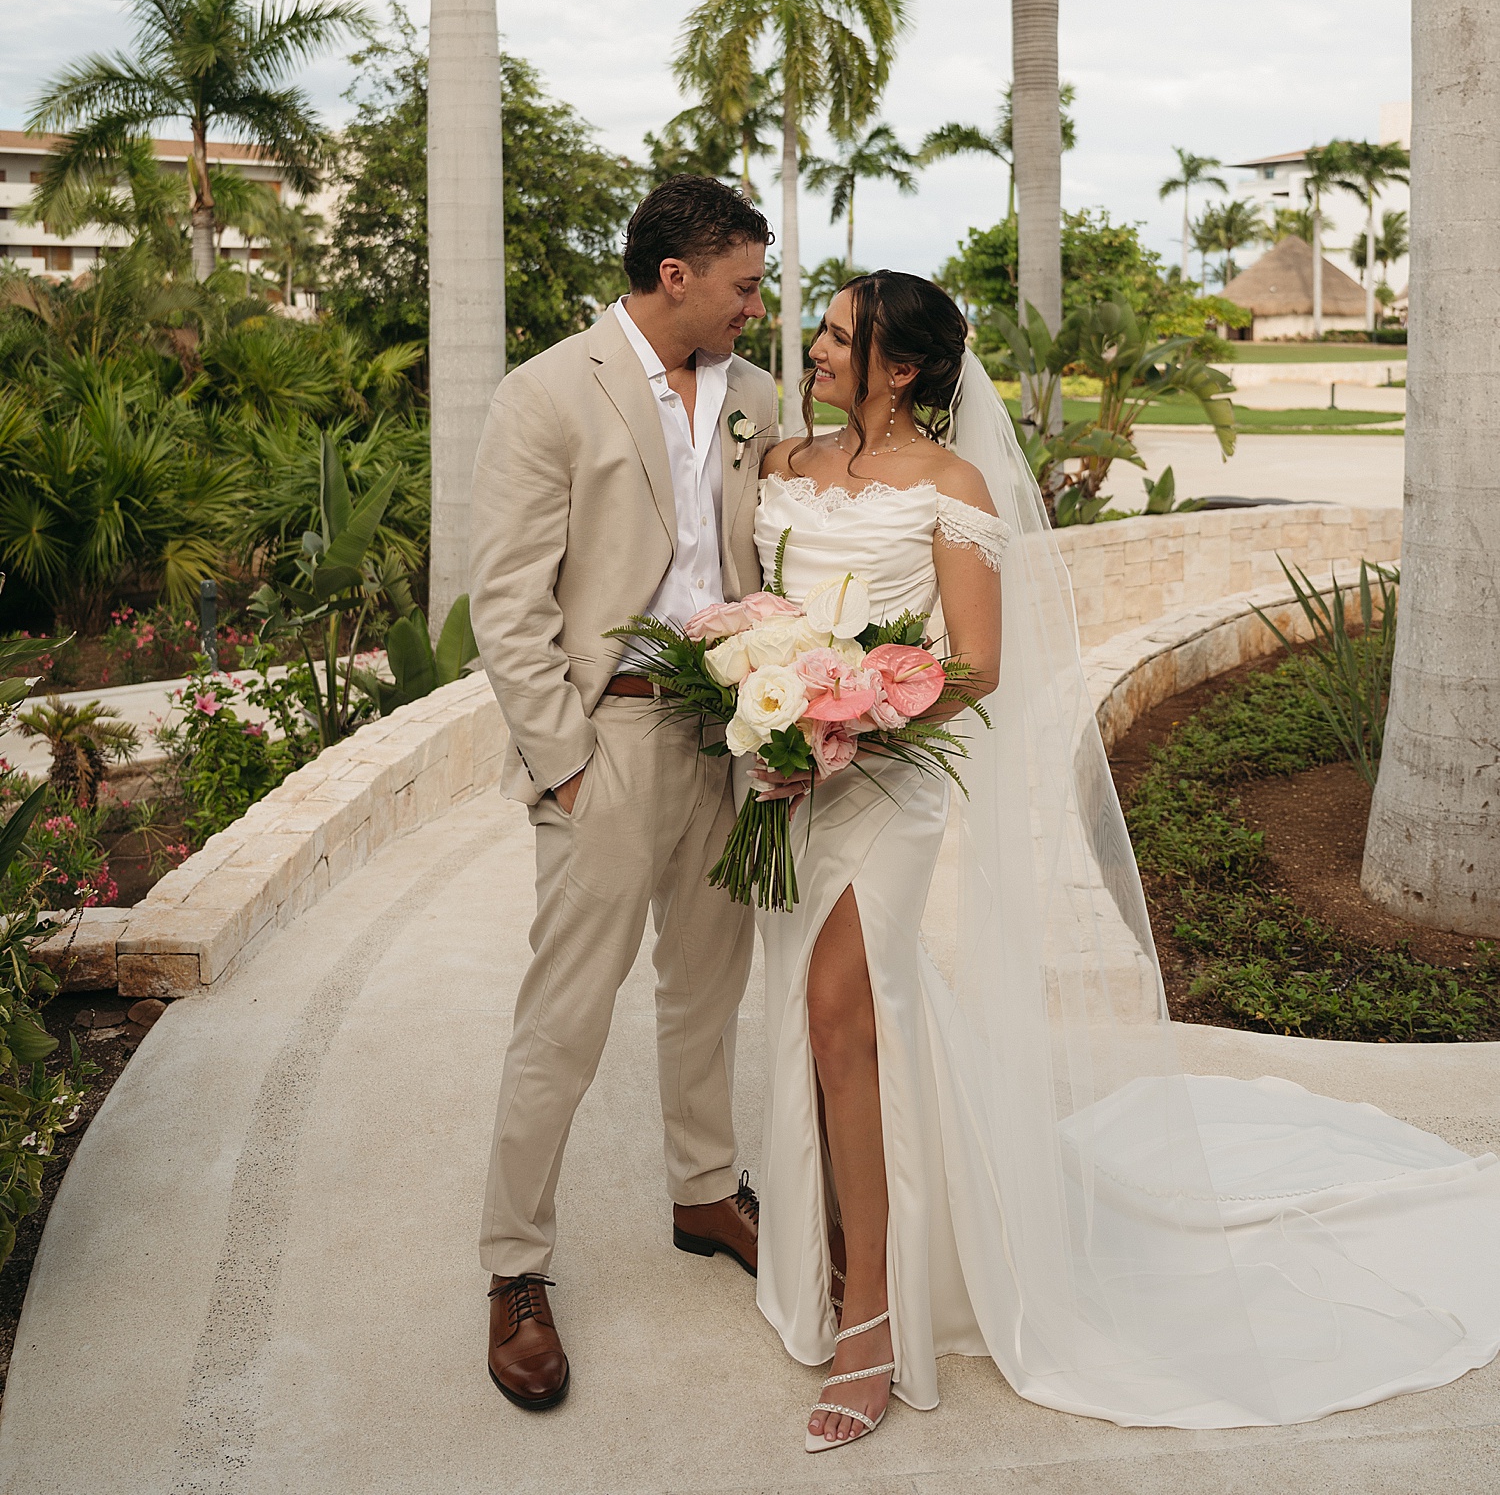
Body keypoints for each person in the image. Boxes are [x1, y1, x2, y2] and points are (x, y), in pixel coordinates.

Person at [748, 269, 1500, 1453]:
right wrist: (766, 703)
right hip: (784, 776)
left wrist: (845, 727)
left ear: (901, 368)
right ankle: (855, 1234)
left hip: (884, 782)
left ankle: (873, 1320)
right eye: (823, 329)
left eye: (843, 335)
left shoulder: (953, 487)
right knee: (818, 1016)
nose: (817, 346)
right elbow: (762, 614)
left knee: (845, 1012)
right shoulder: (782, 465)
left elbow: (979, 663)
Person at [469, 174, 780, 1411]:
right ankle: (513, 1266)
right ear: (676, 279)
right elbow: (508, 598)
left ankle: (705, 1191)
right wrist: (567, 763)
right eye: (744, 285)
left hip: (733, 732)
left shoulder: (756, 395)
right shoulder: (547, 391)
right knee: (566, 1018)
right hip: (611, 738)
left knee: (710, 987)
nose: (758, 306)